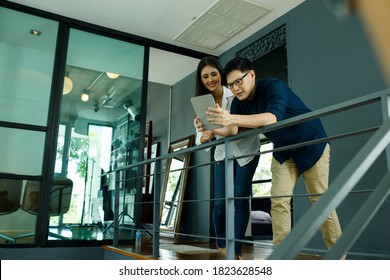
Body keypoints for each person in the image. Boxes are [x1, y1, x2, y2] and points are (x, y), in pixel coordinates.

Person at [206, 57, 342, 250]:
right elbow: (233, 131)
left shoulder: (273, 86)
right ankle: (281, 256)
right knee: (278, 201)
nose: (236, 88)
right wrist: (210, 128)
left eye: (239, 81)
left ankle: (339, 256)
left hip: (311, 143)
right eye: (231, 85)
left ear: (251, 74)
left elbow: (272, 117)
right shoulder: (238, 103)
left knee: (320, 202)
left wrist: (231, 118)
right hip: (284, 151)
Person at [194, 56, 260, 259]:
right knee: (220, 202)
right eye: (205, 76)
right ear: (201, 79)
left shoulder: (236, 94)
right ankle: (222, 246)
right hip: (222, 154)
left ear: (221, 73)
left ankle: (236, 250)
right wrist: (204, 137)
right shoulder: (202, 103)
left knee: (240, 199)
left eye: (214, 74)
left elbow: (234, 128)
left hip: (246, 151)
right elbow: (201, 138)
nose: (210, 79)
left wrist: (216, 130)